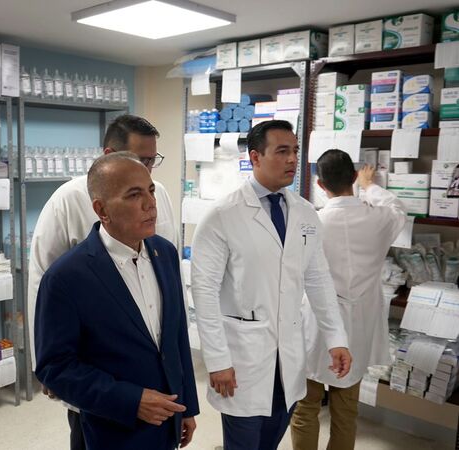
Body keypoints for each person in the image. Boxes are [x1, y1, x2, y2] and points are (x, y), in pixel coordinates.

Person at [191, 120, 352, 450]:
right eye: (281, 151)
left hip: (288, 359)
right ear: (255, 157)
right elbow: (204, 292)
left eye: (294, 151)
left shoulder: (305, 213)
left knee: (271, 440)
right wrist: (217, 360)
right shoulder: (222, 214)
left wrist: (336, 337)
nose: (292, 159)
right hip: (242, 361)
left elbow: (318, 279)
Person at [27, 114, 179, 449]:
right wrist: (45, 360)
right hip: (95, 357)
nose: (147, 171)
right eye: (140, 159)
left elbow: (167, 274)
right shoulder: (68, 199)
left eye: (152, 161)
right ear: (110, 153)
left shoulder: (160, 195)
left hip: (151, 355)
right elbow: (43, 279)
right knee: (94, 430)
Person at [290, 150, 406, 450]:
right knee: (346, 411)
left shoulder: (311, 223)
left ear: (319, 184)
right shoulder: (379, 219)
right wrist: (370, 185)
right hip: (358, 326)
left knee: (305, 407)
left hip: (316, 324)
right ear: (354, 177)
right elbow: (397, 208)